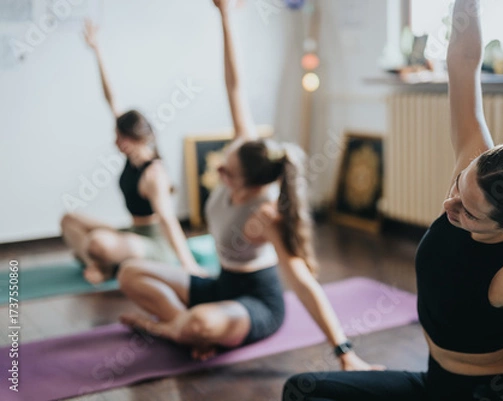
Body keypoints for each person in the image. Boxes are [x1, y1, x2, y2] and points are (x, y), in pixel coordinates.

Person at [282, 0, 503, 400]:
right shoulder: (476, 173)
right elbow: (464, 62)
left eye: (468, 212)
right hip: (433, 383)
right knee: (303, 390)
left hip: (491, 393)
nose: (450, 207)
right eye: (458, 187)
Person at [116, 0, 380, 370]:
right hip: (218, 284)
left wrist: (344, 352)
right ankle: (186, 330)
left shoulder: (265, 214)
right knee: (129, 272)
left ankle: (175, 329)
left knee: (202, 322)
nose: (220, 169)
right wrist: (226, 17)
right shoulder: (248, 149)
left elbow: (304, 285)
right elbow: (234, 85)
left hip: (256, 304)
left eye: (228, 172)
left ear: (253, 185)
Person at [60, 20, 204, 284]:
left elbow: (169, 221)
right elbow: (111, 98)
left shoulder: (154, 174)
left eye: (122, 138)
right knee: (69, 219)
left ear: (137, 138)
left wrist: (189, 265)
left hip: (154, 246)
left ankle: (104, 265)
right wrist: (97, 50)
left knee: (97, 242)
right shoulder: (132, 154)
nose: (117, 143)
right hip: (132, 233)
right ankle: (101, 264)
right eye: (117, 136)